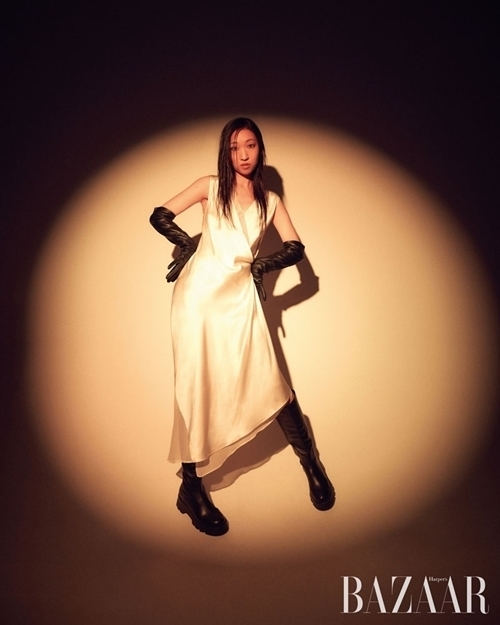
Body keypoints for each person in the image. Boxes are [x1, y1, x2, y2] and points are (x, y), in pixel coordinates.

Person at [150, 117, 335, 536]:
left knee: (269, 379)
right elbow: (159, 215)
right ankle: (191, 488)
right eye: (235, 148)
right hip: (197, 299)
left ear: (260, 148)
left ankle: (311, 463)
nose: (244, 155)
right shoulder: (209, 185)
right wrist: (189, 243)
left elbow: (296, 248)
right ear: (226, 152)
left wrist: (261, 266)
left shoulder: (270, 200)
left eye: (250, 145)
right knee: (195, 385)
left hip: (239, 299)